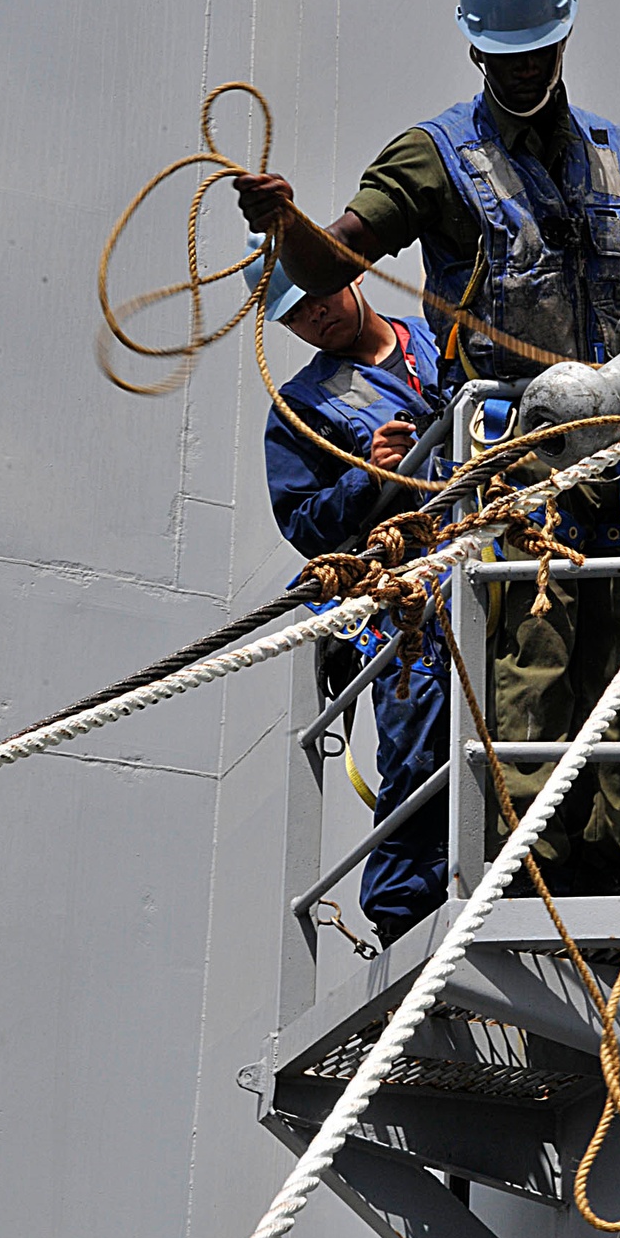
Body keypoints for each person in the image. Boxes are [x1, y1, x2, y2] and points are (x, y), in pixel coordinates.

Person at [236, 0, 620, 893]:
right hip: (512, 468)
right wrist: (288, 226)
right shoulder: (437, 159)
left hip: (619, 463)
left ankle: (608, 881)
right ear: (476, 52)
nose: (523, 71)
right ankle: (534, 887)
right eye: (505, 58)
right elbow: (338, 257)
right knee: (529, 671)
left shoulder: (619, 156)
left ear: (563, 45)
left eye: (538, 54)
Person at [247, 241, 450, 946]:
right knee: (418, 734)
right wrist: (368, 476)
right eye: (296, 315)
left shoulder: (441, 336)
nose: (315, 317)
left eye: (318, 294)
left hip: (496, 558)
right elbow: (304, 523)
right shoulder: (300, 408)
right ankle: (406, 921)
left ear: (351, 272)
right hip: (407, 596)